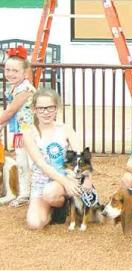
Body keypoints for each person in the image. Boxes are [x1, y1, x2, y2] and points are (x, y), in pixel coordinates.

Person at [22, 89, 84, 229]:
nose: (46, 112)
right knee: (35, 224)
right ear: (34, 109)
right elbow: (40, 163)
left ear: (56, 108)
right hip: (41, 183)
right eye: (41, 108)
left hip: (65, 181)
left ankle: (63, 201)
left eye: (50, 107)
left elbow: (79, 156)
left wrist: (74, 181)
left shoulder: (65, 128)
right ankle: (56, 207)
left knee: (50, 193)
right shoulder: (28, 133)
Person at [0, 45, 35, 207]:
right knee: (22, 161)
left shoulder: (25, 88)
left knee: (31, 161)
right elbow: (10, 113)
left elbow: (10, 111)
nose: (10, 74)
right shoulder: (16, 87)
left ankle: (31, 193)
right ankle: (25, 193)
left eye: (15, 71)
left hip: (30, 132)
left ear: (24, 72)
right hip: (20, 132)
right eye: (8, 69)